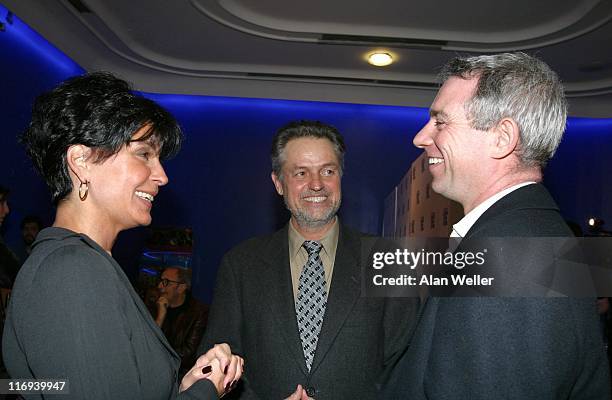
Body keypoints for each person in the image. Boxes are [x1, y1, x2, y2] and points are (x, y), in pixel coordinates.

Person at [2, 72, 243, 399]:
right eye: (144, 154)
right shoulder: (72, 271)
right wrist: (205, 393)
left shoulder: (85, 265)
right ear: (82, 161)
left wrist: (184, 388)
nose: (162, 176)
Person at [383, 52, 610, 398]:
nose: (420, 137)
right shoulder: (528, 235)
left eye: (440, 122)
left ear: (502, 137)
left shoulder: (511, 257)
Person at [200, 120, 418, 399]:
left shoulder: (389, 260)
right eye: (301, 173)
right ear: (278, 183)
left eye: (328, 171)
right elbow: (219, 367)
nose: (317, 185)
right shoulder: (240, 265)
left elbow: (406, 369)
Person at [154, 266, 209, 379]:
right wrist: (160, 317)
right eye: (160, 281)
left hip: (181, 376)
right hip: (155, 369)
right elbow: (145, 343)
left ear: (181, 287)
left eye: (166, 282)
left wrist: (156, 355)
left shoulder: (198, 312)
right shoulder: (156, 306)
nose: (160, 286)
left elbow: (188, 354)